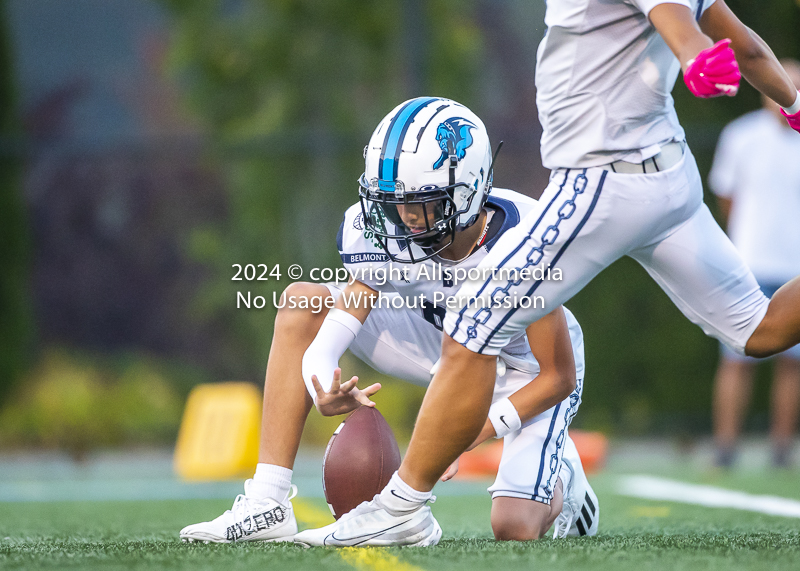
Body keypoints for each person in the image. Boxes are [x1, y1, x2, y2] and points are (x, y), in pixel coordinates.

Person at [294, 0, 800, 547]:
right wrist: (794, 104)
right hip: (668, 174)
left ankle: (400, 504)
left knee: (473, 318)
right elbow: (744, 43)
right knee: (760, 329)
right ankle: (519, 486)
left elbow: (674, 19)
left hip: (600, 180)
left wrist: (695, 57)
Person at [181, 98, 595, 544]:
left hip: (523, 368)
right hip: (438, 341)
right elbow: (341, 317)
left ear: (467, 193)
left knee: (513, 527)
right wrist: (322, 381)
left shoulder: (526, 238)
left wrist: (471, 431)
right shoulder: (388, 226)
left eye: (421, 203)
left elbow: (557, 375)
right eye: (391, 201)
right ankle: (267, 501)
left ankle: (566, 484)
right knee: (302, 302)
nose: (403, 218)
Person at [710, 59, 800, 468]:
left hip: (795, 269)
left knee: (791, 366)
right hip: (746, 266)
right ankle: (725, 447)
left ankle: (781, 450)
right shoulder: (740, 136)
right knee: (735, 359)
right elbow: (726, 198)